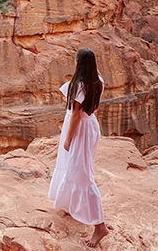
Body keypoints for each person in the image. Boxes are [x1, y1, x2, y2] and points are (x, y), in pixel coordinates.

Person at [48, 48, 109, 247]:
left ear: (79, 63)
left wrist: (68, 138)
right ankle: (69, 203)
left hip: (80, 130)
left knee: (83, 175)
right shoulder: (97, 81)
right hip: (90, 127)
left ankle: (100, 227)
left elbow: (75, 115)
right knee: (73, 168)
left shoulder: (79, 86)